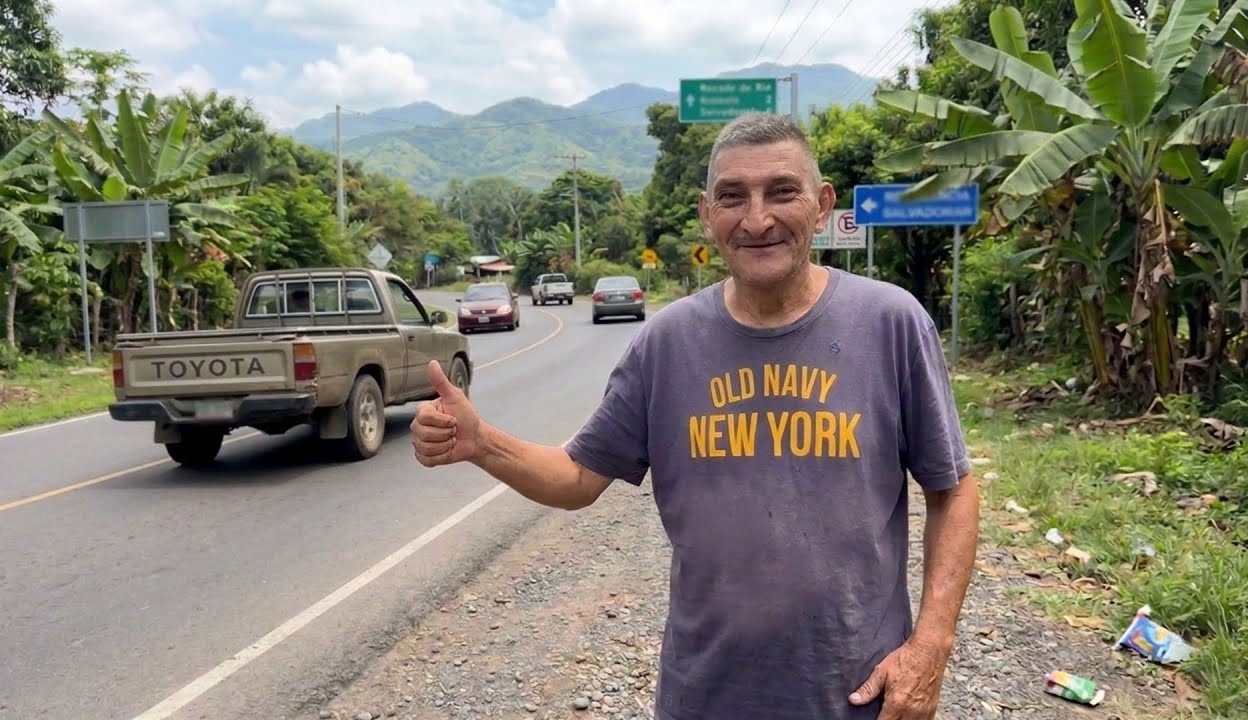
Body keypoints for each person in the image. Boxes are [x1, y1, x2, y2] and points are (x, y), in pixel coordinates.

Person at [410, 111, 979, 720]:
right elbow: (576, 478)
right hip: (706, 695)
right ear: (708, 215)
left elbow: (954, 488)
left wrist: (930, 646)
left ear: (821, 205)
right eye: (733, 197)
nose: (756, 219)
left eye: (781, 192)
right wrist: (479, 442)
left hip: (859, 694)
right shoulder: (667, 343)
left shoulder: (890, 323)